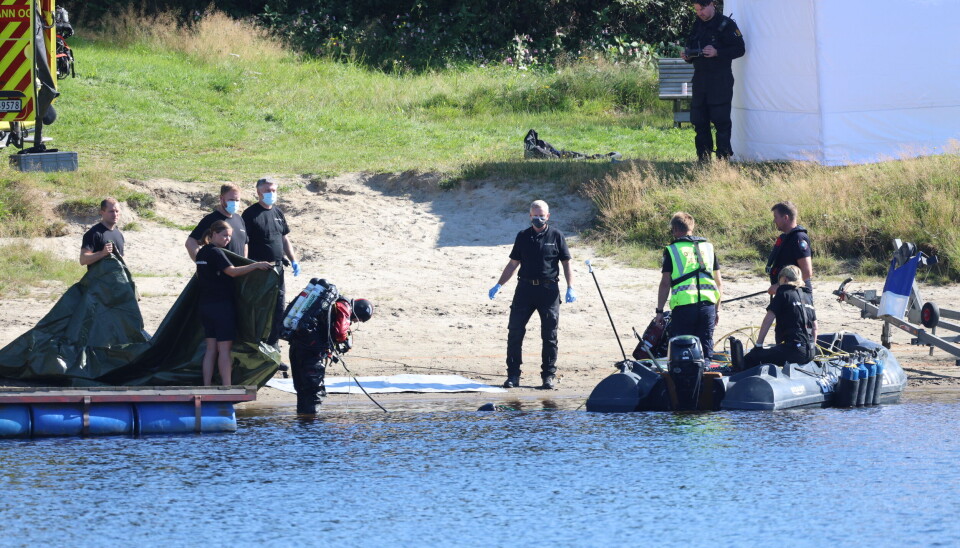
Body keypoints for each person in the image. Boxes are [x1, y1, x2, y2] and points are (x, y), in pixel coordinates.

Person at [489, 200, 575, 390]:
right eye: (535, 215)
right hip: (525, 290)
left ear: (548, 216)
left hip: (549, 291)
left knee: (550, 335)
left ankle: (548, 376)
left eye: (542, 215)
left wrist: (571, 287)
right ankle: (513, 376)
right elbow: (513, 264)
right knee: (515, 332)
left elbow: (566, 263)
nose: (538, 218)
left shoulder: (557, 236)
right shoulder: (522, 236)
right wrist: (499, 284)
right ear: (530, 216)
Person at [194, 220, 273, 386]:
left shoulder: (201, 253)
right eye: (224, 236)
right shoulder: (216, 252)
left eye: (229, 236)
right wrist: (256, 265)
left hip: (205, 306)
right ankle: (227, 386)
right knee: (224, 350)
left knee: (210, 349)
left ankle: (207, 385)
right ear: (214, 234)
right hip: (221, 307)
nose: (227, 239)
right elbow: (232, 272)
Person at [681, 0, 745, 162]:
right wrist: (688, 56)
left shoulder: (726, 24)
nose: (699, 13)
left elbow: (740, 49)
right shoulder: (697, 24)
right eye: (696, 10)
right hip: (700, 79)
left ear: (711, 5)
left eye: (702, 9)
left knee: (720, 119)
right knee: (698, 119)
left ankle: (723, 157)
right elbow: (692, 47)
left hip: (720, 79)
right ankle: (703, 156)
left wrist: (718, 52)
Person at [289, 293, 374, 414]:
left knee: (302, 388)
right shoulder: (345, 308)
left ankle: (303, 421)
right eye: (357, 319)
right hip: (311, 352)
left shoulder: (334, 303)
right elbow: (340, 333)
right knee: (314, 391)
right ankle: (312, 425)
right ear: (358, 312)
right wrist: (343, 341)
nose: (354, 322)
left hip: (297, 347)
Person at [655, 212, 723, 359]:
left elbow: (665, 283)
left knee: (683, 350)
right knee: (705, 348)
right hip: (708, 306)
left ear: (674, 229)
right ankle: (706, 375)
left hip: (684, 307)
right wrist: (717, 309)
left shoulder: (672, 250)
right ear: (692, 227)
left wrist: (659, 311)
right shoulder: (709, 248)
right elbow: (718, 283)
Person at [242, 178, 300, 349]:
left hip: (278, 269)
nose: (271, 194)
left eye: (274, 190)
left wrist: (294, 260)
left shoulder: (278, 213)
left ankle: (273, 347)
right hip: (259, 270)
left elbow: (284, 238)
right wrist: (247, 266)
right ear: (259, 193)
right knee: (261, 310)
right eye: (267, 191)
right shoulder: (250, 214)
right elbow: (245, 242)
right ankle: (257, 348)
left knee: (278, 309)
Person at [744, 265, 818, 369]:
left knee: (751, 357)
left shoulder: (783, 293)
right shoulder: (807, 296)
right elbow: (815, 327)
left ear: (784, 279)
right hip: (810, 352)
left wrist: (758, 345)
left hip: (793, 351)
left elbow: (768, 320)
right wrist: (812, 348)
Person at [185, 183, 248, 261]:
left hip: (239, 271)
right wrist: (201, 264)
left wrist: (245, 262)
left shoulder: (239, 219)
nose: (234, 203)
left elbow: (244, 243)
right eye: (231, 200)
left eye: (237, 200)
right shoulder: (211, 219)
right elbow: (190, 242)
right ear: (221, 198)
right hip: (220, 271)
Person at [766, 201, 813, 294]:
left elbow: (807, 272)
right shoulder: (785, 238)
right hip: (786, 292)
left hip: (797, 294)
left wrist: (780, 286)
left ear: (785, 218)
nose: (774, 221)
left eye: (776, 217)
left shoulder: (798, 238)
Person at [79, 198, 124, 267]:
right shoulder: (94, 233)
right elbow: (83, 259)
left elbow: (121, 260)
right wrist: (102, 253)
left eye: (117, 211)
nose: (115, 214)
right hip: (99, 277)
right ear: (102, 212)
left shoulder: (119, 234)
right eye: (111, 211)